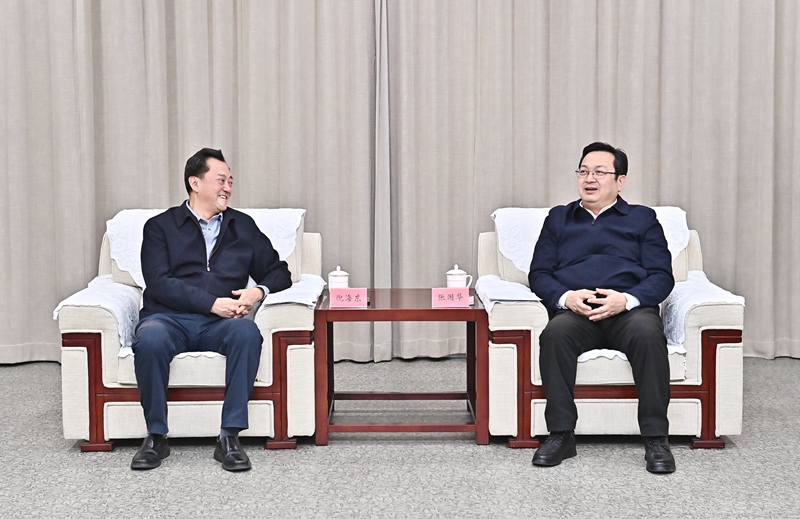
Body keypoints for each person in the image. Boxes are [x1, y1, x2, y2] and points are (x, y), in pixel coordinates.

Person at [129, 148, 292, 471]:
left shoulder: (242, 226)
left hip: (222, 325)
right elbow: (159, 283)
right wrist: (211, 304)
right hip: (168, 319)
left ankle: (229, 437)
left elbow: (279, 272)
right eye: (221, 180)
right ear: (195, 183)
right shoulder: (160, 226)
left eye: (230, 181)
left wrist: (257, 291)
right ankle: (156, 436)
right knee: (149, 339)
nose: (228, 187)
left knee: (247, 333)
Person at [528, 142, 676, 474]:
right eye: (583, 171)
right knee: (555, 334)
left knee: (648, 333)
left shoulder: (642, 219)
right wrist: (566, 297)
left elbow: (661, 276)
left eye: (599, 172)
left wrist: (626, 300)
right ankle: (561, 435)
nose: (589, 178)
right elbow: (539, 273)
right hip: (577, 313)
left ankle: (656, 438)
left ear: (620, 181)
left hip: (629, 312)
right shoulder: (558, 218)